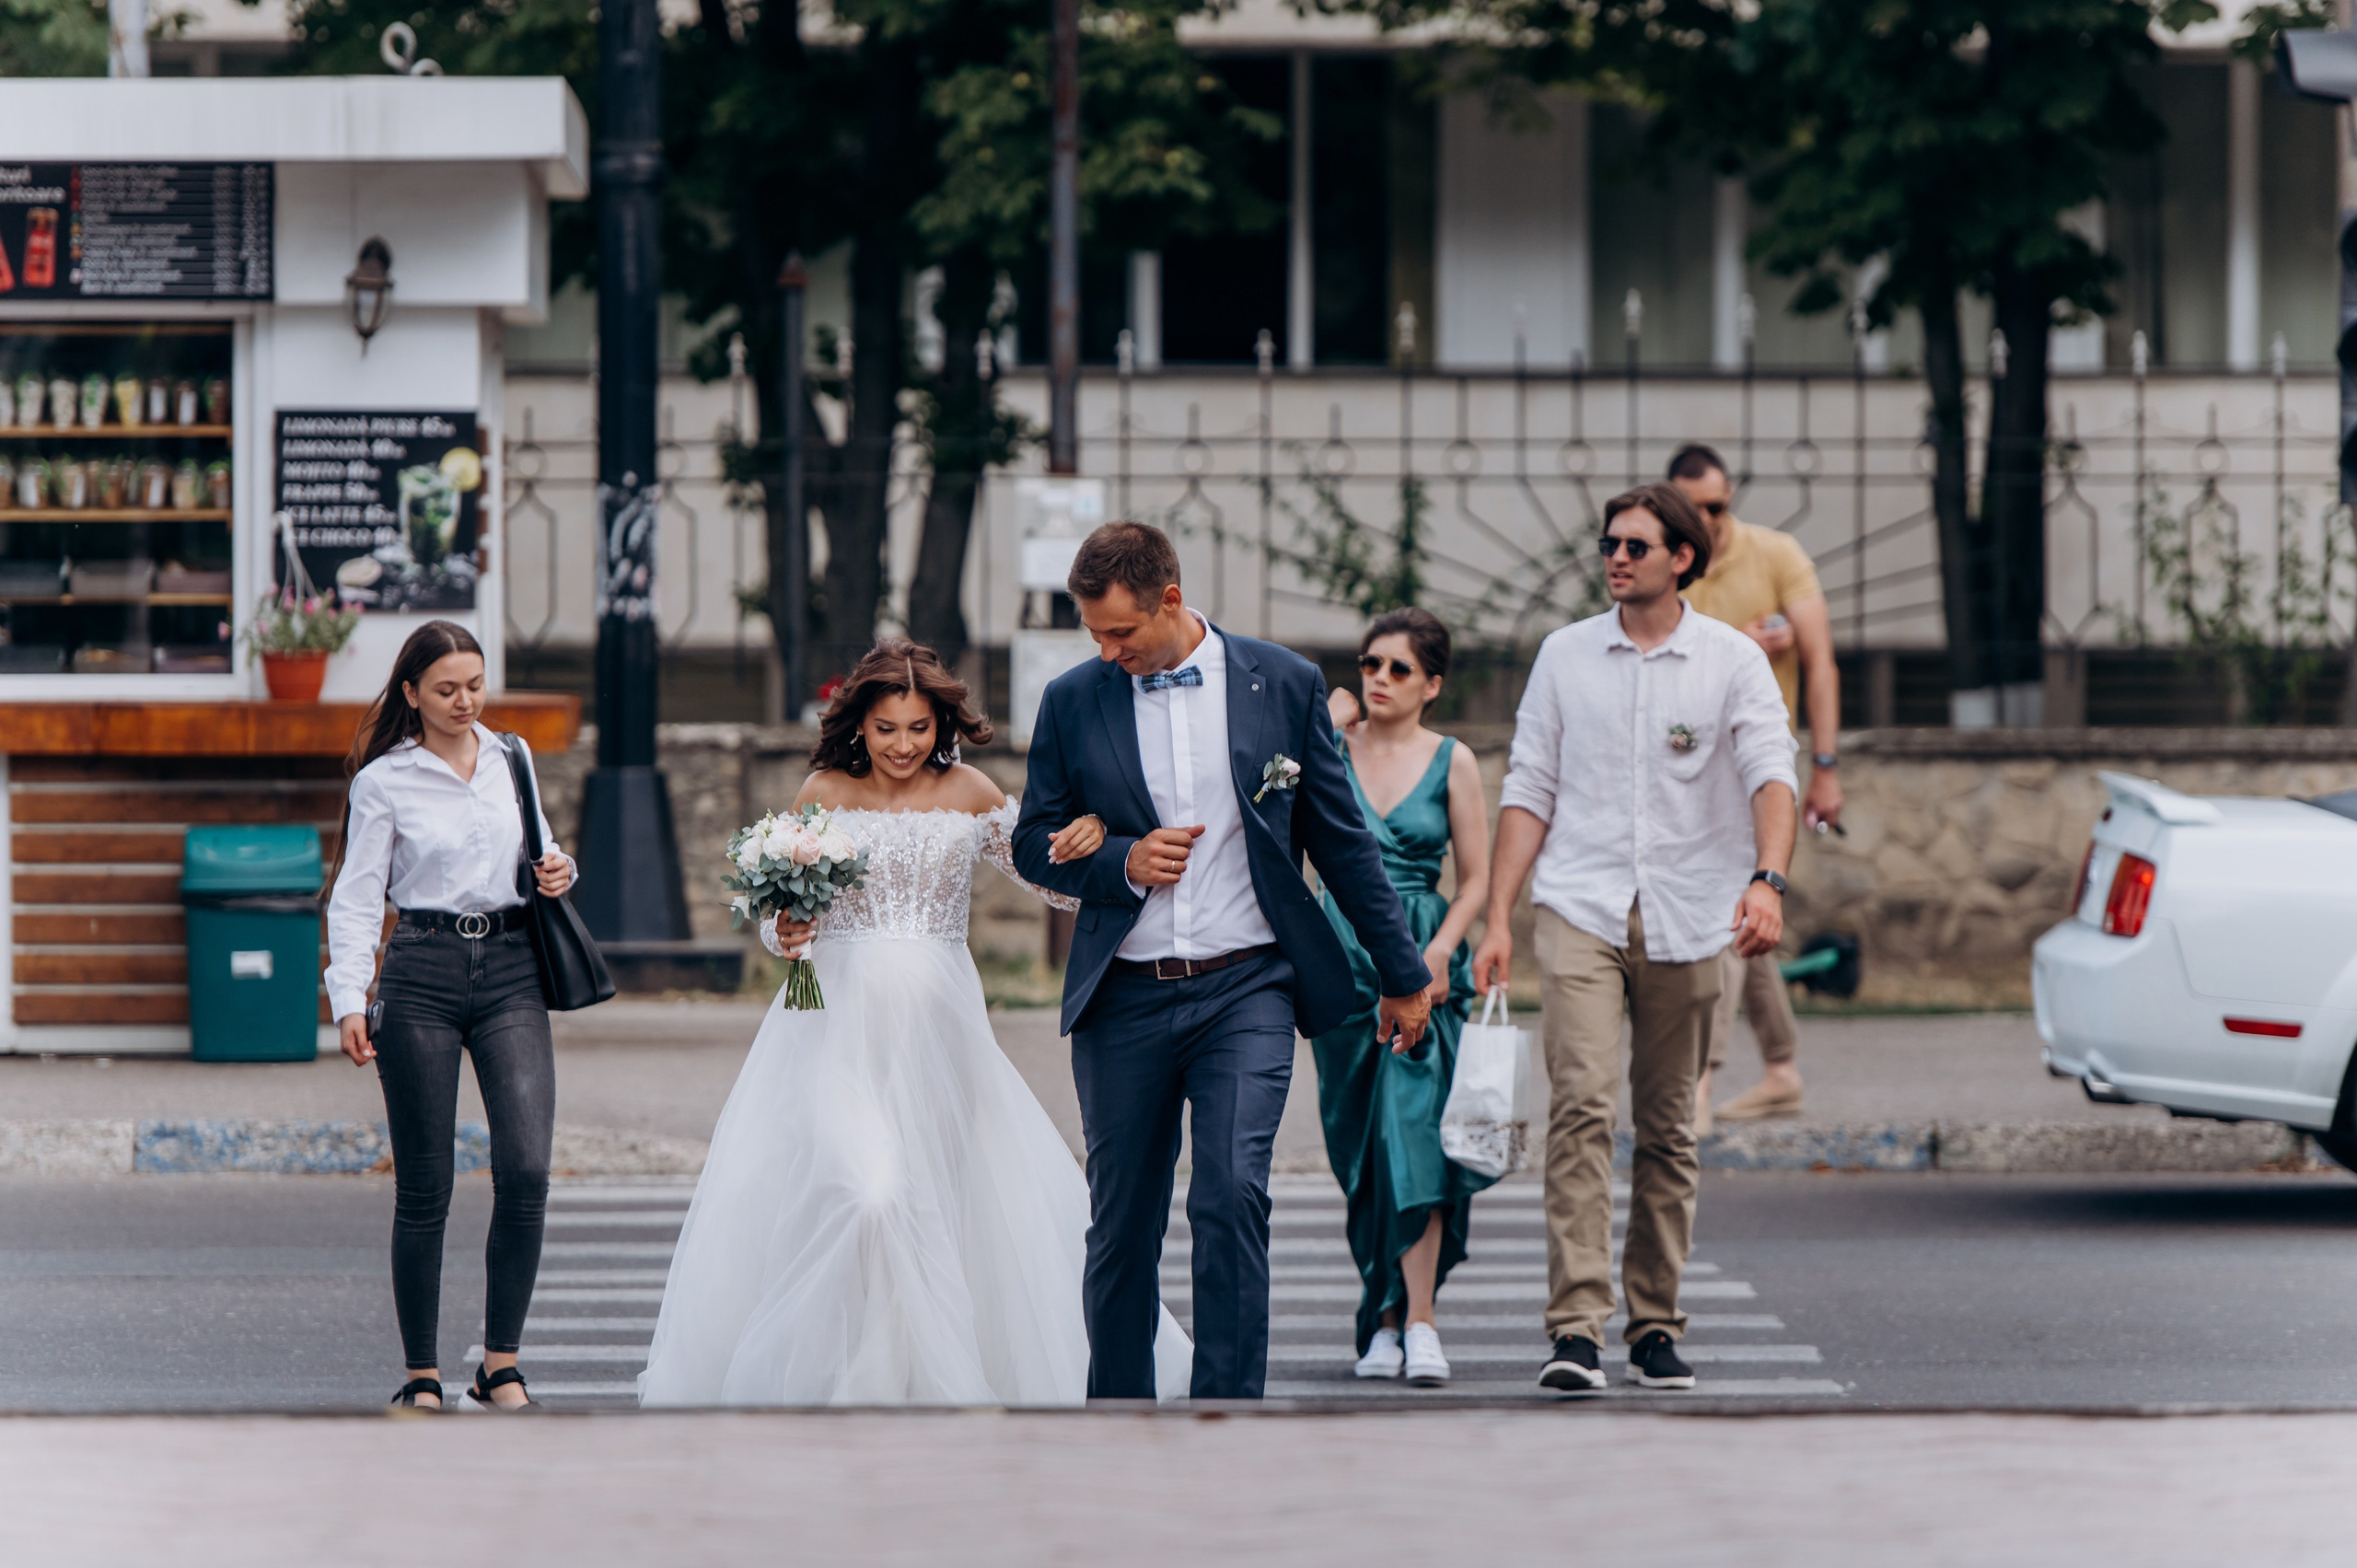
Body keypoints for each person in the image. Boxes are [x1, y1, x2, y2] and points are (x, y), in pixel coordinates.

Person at [636, 639, 1191, 1406]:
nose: (903, 745)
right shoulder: (821, 791)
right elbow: (781, 917)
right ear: (859, 725)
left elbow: (1054, 885)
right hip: (834, 1025)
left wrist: (1090, 846)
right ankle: (853, 1369)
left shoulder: (970, 790)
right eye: (888, 728)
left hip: (942, 1031)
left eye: (919, 728)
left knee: (935, 1195)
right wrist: (784, 934)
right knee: (866, 1192)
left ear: (943, 726)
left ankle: (902, 1374)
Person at [1013, 520, 1433, 1400]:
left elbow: (1342, 839)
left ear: (1170, 599)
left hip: (1249, 984)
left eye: (1121, 631)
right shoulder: (1072, 697)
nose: (1108, 649)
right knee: (1122, 1222)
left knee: (1231, 1194)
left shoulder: (1282, 681)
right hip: (1124, 993)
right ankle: (1118, 1415)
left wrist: (1404, 975)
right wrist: (1118, 861)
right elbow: (1030, 842)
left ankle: (1226, 1418)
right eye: (1094, 633)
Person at [1471, 482, 1797, 1395]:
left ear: (1681, 559)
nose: (1616, 557)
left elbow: (1774, 773)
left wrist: (1766, 881)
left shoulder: (1730, 660)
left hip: (1693, 912)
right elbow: (1527, 787)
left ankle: (1654, 1321)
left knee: (1666, 1127)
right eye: (1609, 543)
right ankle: (1574, 1325)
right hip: (1578, 903)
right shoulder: (1565, 655)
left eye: (1636, 545)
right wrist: (1498, 915)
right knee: (1579, 1104)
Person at [324, 620, 577, 1412]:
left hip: (510, 968)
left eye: (474, 684)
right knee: (426, 1183)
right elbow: (359, 897)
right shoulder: (385, 782)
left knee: (528, 1170)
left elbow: (535, 847)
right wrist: (349, 998)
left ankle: (500, 1364)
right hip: (423, 970)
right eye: (446, 689)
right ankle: (423, 1374)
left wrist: (560, 866)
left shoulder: (514, 758)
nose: (465, 701)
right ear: (411, 694)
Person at [1315, 608, 1495, 1388]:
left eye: (1397, 668)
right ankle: (1380, 1318)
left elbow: (1479, 877)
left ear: (1432, 683)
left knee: (1415, 1136)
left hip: (1421, 955)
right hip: (1338, 960)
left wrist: (1444, 948)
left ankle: (1419, 1319)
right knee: (1361, 1151)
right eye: (1369, 665)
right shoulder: (1330, 751)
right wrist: (1321, 723)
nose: (1378, 679)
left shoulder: (1453, 760)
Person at [1668, 443, 1841, 1129]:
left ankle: (1702, 1082)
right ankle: (1781, 1068)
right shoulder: (1667, 563)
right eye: (1693, 509)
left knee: (1725, 916)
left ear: (1730, 497)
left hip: (1761, 768)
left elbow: (1822, 663)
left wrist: (1825, 767)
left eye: (1717, 505)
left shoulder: (1776, 553)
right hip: (1689, 769)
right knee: (1751, 913)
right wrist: (1734, 643)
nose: (1707, 520)